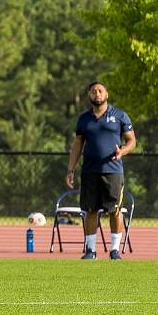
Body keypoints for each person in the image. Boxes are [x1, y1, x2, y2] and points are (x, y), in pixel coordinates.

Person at [66, 81, 136, 260]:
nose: (97, 94)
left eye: (100, 91)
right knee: (90, 210)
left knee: (114, 210)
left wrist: (123, 151)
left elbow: (131, 141)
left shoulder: (120, 116)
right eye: (93, 91)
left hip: (113, 172)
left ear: (106, 94)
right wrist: (70, 170)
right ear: (89, 96)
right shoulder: (84, 119)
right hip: (89, 172)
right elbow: (77, 145)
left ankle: (114, 250)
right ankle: (90, 251)